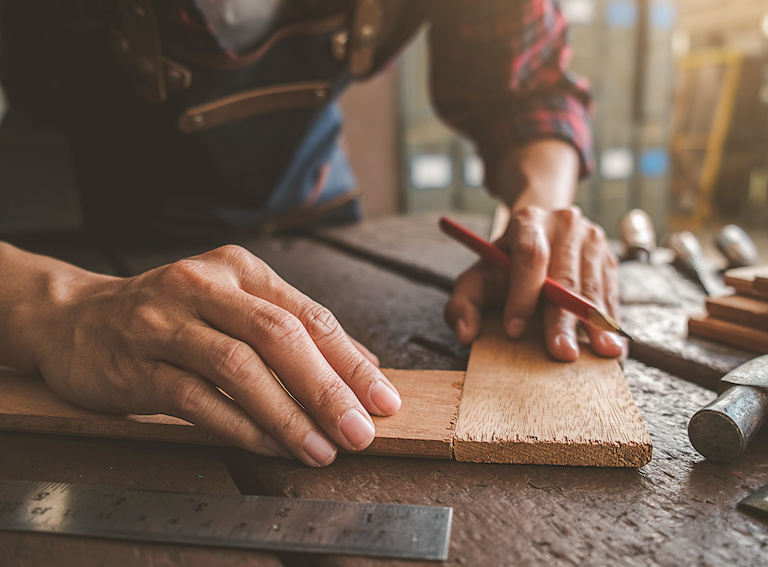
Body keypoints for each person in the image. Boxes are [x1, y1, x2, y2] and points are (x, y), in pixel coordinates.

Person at [0, 0, 624, 467]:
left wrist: (537, 213)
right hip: (77, 241)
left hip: (314, 224)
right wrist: (56, 303)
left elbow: (526, 89)